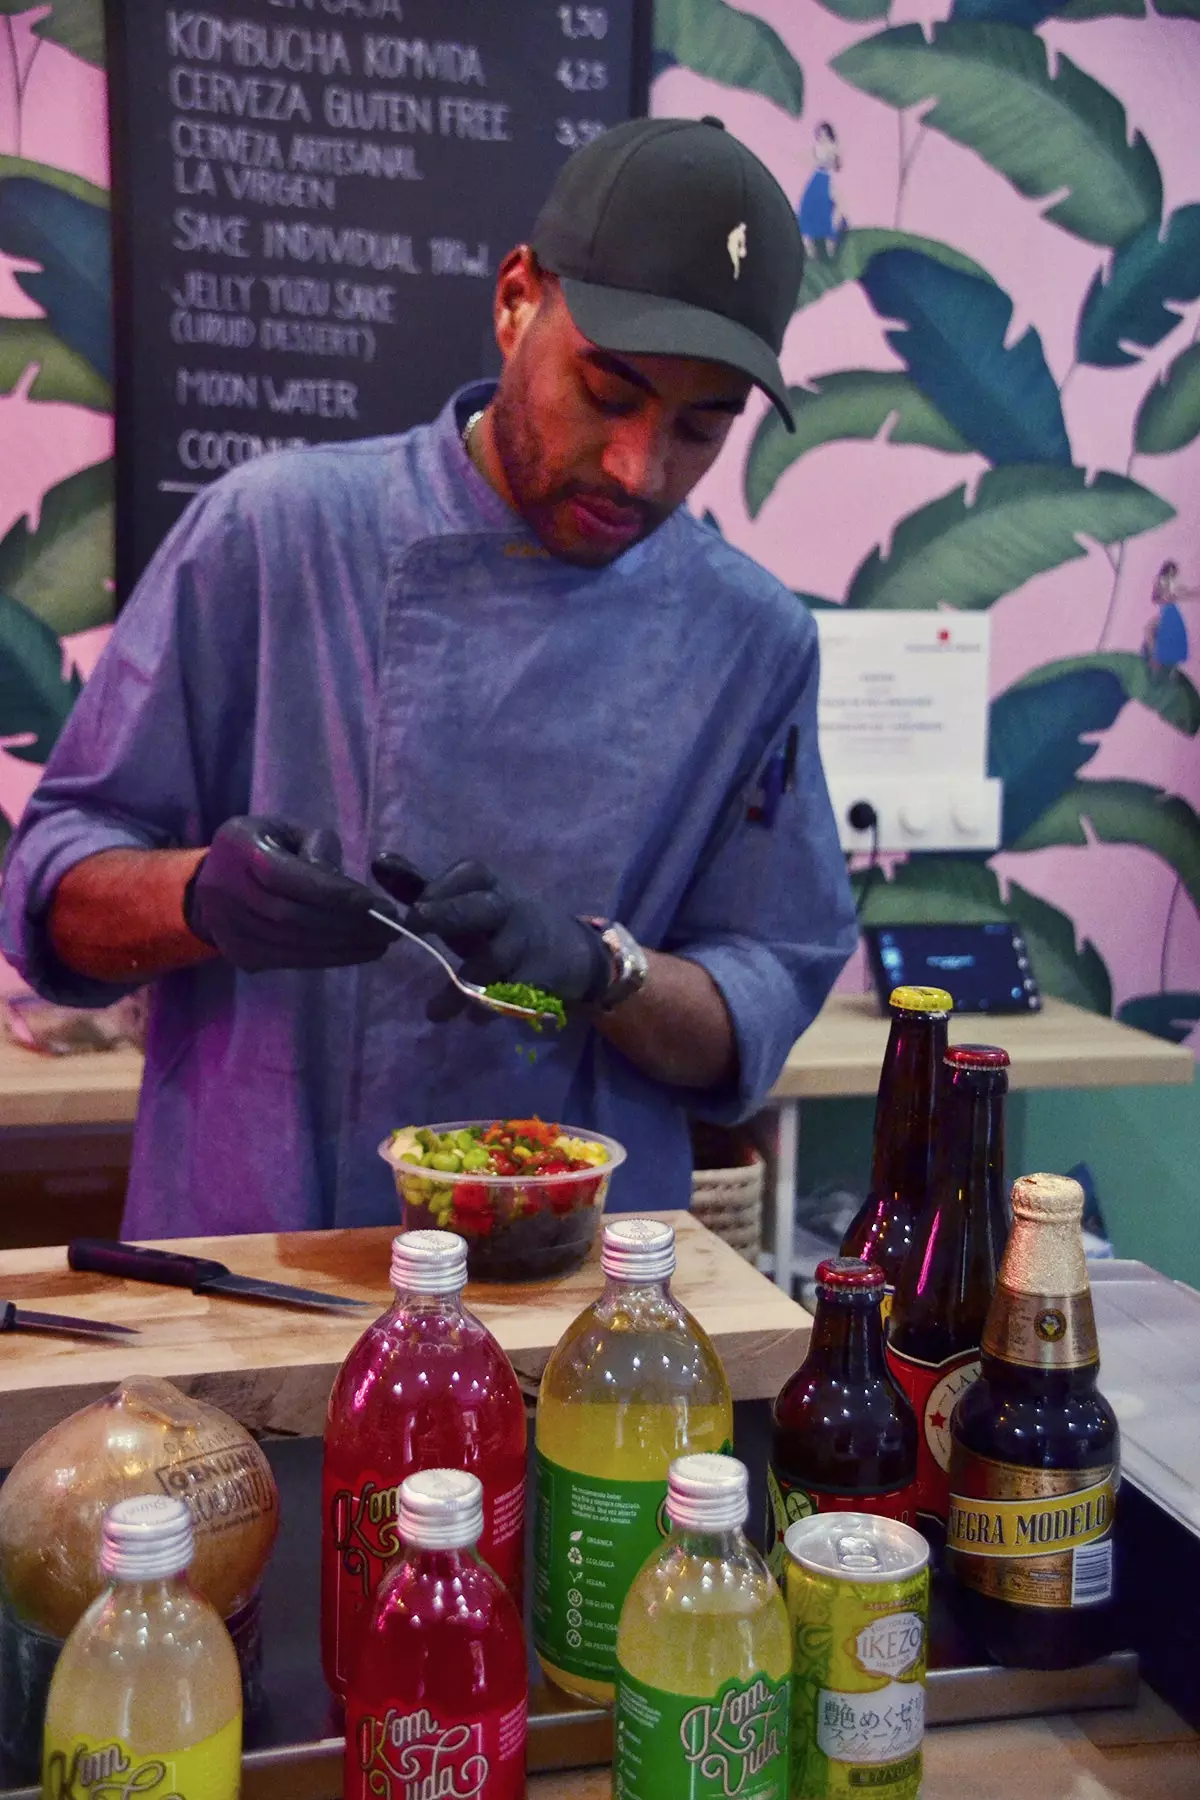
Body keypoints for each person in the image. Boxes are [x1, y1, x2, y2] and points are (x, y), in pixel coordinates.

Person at [0, 117, 857, 1239]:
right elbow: (52, 890)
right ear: (516, 300)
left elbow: (756, 1002)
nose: (641, 468)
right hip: (259, 1250)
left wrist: (603, 970)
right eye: (608, 393)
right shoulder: (276, 535)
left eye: (700, 429)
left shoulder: (751, 639)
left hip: (574, 1293)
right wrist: (201, 898)